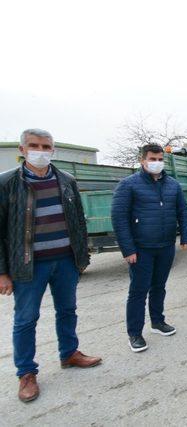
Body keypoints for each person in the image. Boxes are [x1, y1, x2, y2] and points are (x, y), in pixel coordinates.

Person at [0, 129, 102, 403]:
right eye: (34, 146)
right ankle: (26, 373)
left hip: (65, 261)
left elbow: (78, 220)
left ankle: (69, 353)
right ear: (22, 150)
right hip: (28, 265)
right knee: (26, 319)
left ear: (52, 150)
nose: (40, 151)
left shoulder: (66, 180)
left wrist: (82, 258)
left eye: (46, 146)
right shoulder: (7, 183)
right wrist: (2, 272)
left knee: (67, 310)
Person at [111, 143, 187, 353]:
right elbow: (119, 219)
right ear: (142, 160)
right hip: (141, 248)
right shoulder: (128, 185)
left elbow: (182, 211)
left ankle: (158, 322)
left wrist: (185, 236)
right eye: (152, 159)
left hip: (165, 246)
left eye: (159, 159)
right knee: (138, 291)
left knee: (159, 286)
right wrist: (128, 249)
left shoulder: (173, 185)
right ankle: (135, 333)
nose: (156, 163)